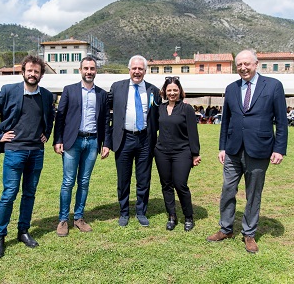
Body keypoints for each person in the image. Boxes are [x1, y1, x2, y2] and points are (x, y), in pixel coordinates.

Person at [206, 49, 288, 253]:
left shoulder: (273, 86)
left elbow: (281, 121)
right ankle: (226, 228)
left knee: (253, 193)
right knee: (227, 190)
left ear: (256, 63)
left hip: (259, 149)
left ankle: (249, 233)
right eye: (239, 65)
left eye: (246, 64)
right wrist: (222, 146)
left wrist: (279, 149)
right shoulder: (231, 88)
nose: (243, 68)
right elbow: (226, 120)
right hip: (233, 150)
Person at [0, 55, 54, 259]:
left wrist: (46, 134)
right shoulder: (9, 91)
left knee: (29, 194)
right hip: (15, 151)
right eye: (29, 70)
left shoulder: (47, 96)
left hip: (36, 152)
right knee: (9, 194)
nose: (33, 74)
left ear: (41, 74)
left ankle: (23, 231)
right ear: (23, 71)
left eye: (36, 71)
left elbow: (51, 116)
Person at [53, 57, 112, 237]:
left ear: (96, 71)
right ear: (80, 70)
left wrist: (106, 143)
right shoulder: (69, 91)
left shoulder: (102, 94)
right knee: (68, 182)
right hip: (72, 142)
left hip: (93, 142)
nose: (89, 71)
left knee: (84, 182)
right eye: (86, 68)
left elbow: (106, 121)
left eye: (92, 68)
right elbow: (60, 117)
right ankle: (63, 219)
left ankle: (78, 218)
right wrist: (58, 139)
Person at [108, 55, 161, 227]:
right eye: (134, 68)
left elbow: (160, 115)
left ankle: (141, 211)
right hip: (124, 138)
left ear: (145, 71)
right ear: (129, 69)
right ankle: (124, 212)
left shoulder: (153, 90)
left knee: (143, 178)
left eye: (140, 69)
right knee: (123, 179)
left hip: (145, 139)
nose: (137, 71)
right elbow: (105, 111)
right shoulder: (117, 87)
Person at [154, 76, 201, 231]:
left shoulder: (186, 108)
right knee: (166, 185)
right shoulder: (159, 108)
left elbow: (193, 133)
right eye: (169, 90)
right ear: (164, 92)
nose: (172, 93)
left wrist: (195, 153)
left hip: (182, 152)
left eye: (175, 90)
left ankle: (188, 216)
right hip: (162, 152)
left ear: (180, 91)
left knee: (180, 184)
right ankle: (172, 216)